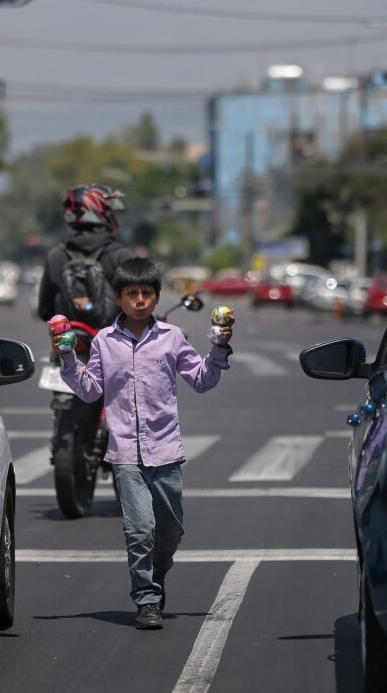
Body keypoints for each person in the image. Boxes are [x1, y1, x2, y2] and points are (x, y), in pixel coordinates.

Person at [51, 258, 235, 630]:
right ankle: (147, 599)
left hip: (166, 451)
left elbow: (200, 379)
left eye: (146, 294)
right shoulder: (105, 340)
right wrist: (67, 355)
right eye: (131, 294)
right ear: (118, 298)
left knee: (170, 531)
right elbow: (89, 390)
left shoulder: (171, 337)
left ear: (156, 297)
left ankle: (156, 573)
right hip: (124, 453)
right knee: (139, 531)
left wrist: (218, 347)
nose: (139, 301)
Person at [37, 183, 132, 328]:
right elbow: (135, 307)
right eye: (110, 211)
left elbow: (45, 311)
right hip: (114, 346)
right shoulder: (121, 255)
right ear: (96, 211)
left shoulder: (55, 256)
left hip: (70, 346)